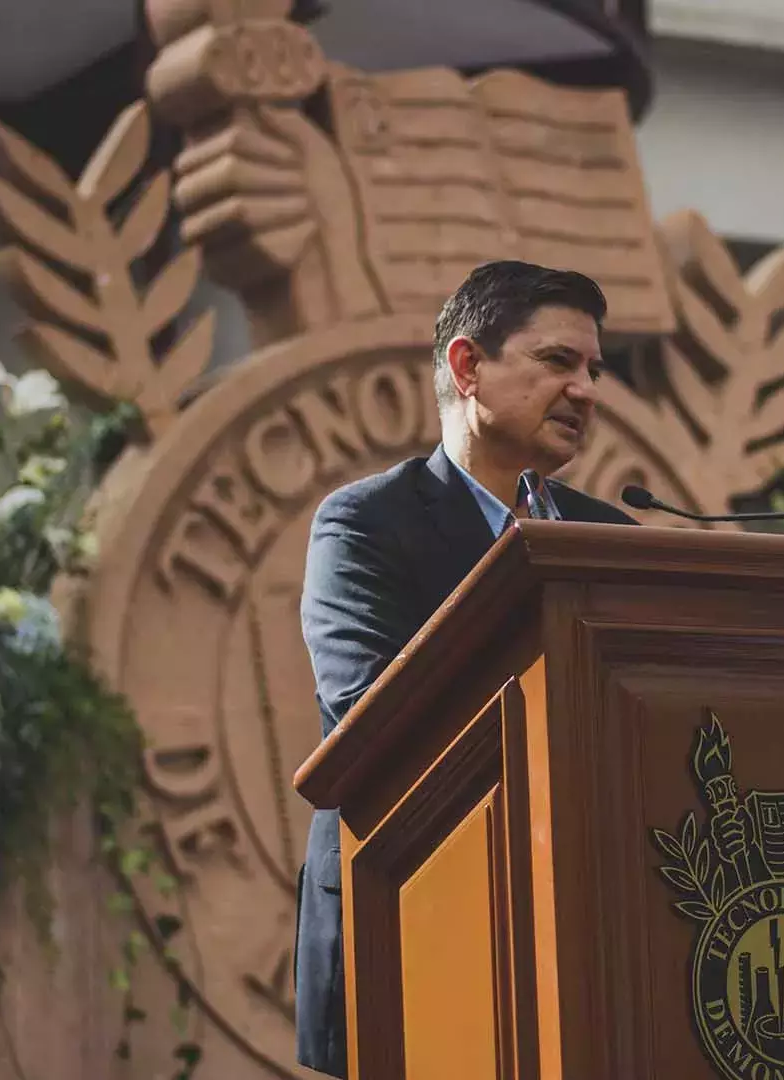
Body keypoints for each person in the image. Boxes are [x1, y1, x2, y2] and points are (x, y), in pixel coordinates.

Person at [294, 260, 638, 1075]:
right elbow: (369, 712)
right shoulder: (365, 525)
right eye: (558, 362)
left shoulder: (613, 535)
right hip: (412, 909)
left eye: (593, 370)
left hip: (583, 924)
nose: (586, 390)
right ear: (466, 365)